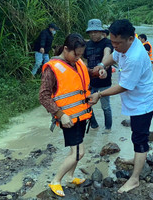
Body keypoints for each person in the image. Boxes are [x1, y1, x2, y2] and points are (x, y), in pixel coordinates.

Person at [88, 19, 153, 193]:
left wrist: (99, 94)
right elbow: (113, 56)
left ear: (130, 39)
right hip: (135, 101)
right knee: (136, 134)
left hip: (143, 103)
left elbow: (124, 86)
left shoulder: (135, 56)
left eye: (117, 43)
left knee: (139, 138)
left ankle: (134, 179)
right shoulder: (123, 47)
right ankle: (136, 159)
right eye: (112, 42)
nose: (114, 46)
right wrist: (102, 65)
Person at [39, 33, 96, 197]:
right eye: (75, 54)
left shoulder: (76, 62)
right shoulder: (52, 68)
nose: (78, 58)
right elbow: (43, 96)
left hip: (81, 116)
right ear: (65, 49)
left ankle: (70, 177)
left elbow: (84, 74)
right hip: (68, 118)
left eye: (80, 55)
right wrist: (59, 114)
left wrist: (96, 72)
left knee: (75, 151)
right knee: (79, 153)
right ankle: (56, 181)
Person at [83, 19, 113, 132]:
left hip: (104, 80)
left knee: (105, 107)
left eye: (95, 31)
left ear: (101, 32)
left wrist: (102, 66)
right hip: (90, 81)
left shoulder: (107, 43)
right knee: (87, 105)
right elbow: (85, 60)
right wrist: (86, 69)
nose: (93, 34)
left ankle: (108, 129)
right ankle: (94, 126)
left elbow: (107, 54)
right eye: (91, 32)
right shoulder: (88, 44)